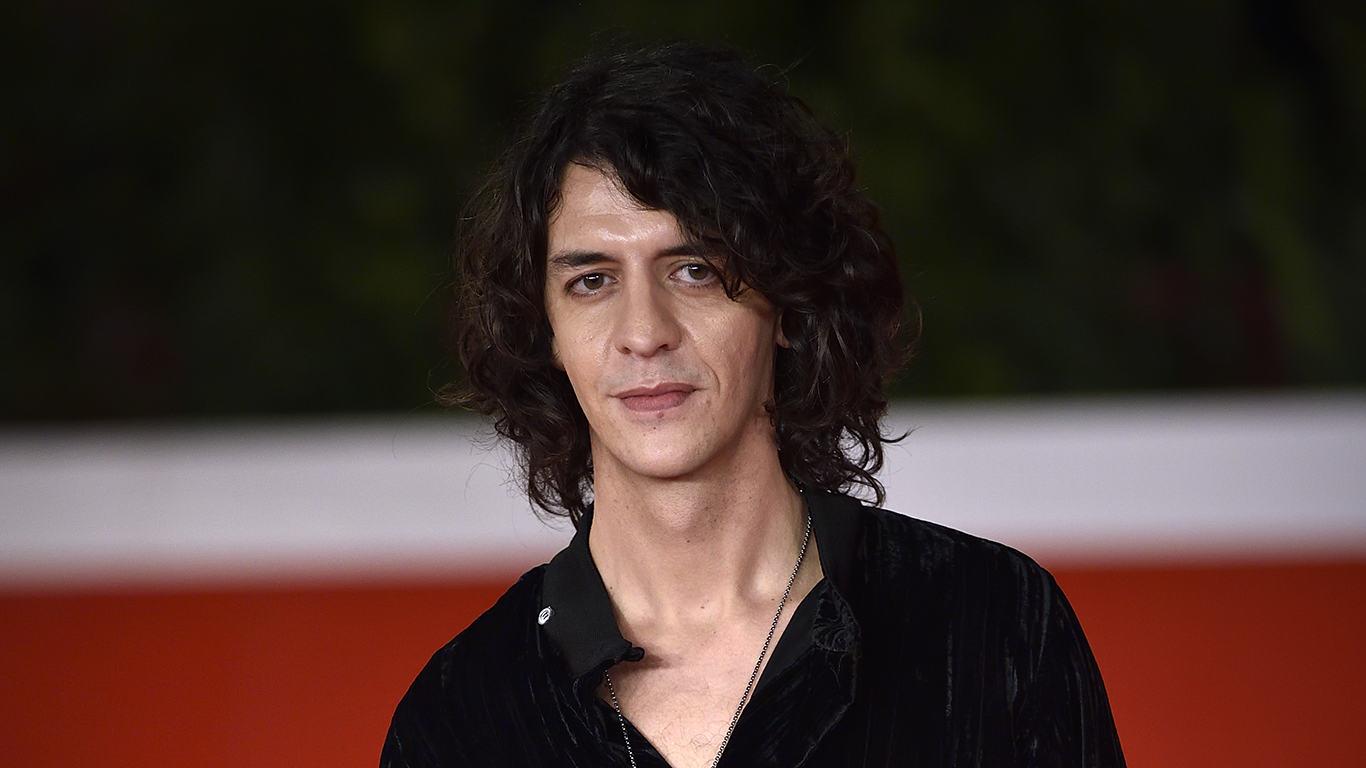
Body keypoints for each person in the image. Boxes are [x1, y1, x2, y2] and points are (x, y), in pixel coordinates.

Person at [381, 42, 1125, 768]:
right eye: (592, 281)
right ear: (545, 331)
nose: (643, 332)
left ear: (791, 304)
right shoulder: (459, 718)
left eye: (695, 270)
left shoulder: (996, 628)